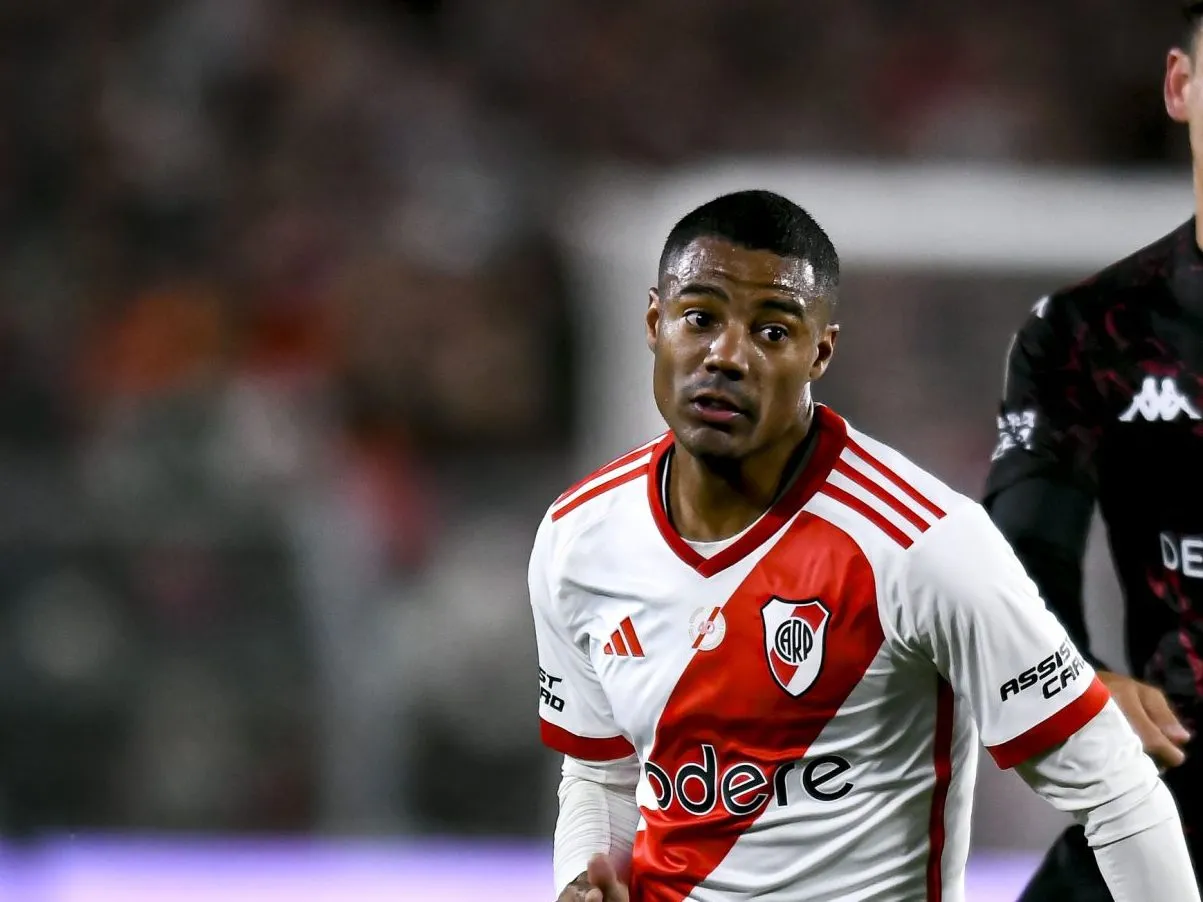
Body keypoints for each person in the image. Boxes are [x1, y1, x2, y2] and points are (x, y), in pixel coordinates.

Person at [529, 189, 1197, 902]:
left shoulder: (920, 544)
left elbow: (1117, 791)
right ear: (654, 322)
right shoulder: (579, 536)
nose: (726, 355)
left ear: (820, 352)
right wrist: (583, 871)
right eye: (699, 318)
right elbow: (601, 775)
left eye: (772, 331)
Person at [984, 5, 1203, 898]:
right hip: (1176, 792)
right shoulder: (1089, 332)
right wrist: (1078, 678)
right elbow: (1018, 556)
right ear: (1179, 87)